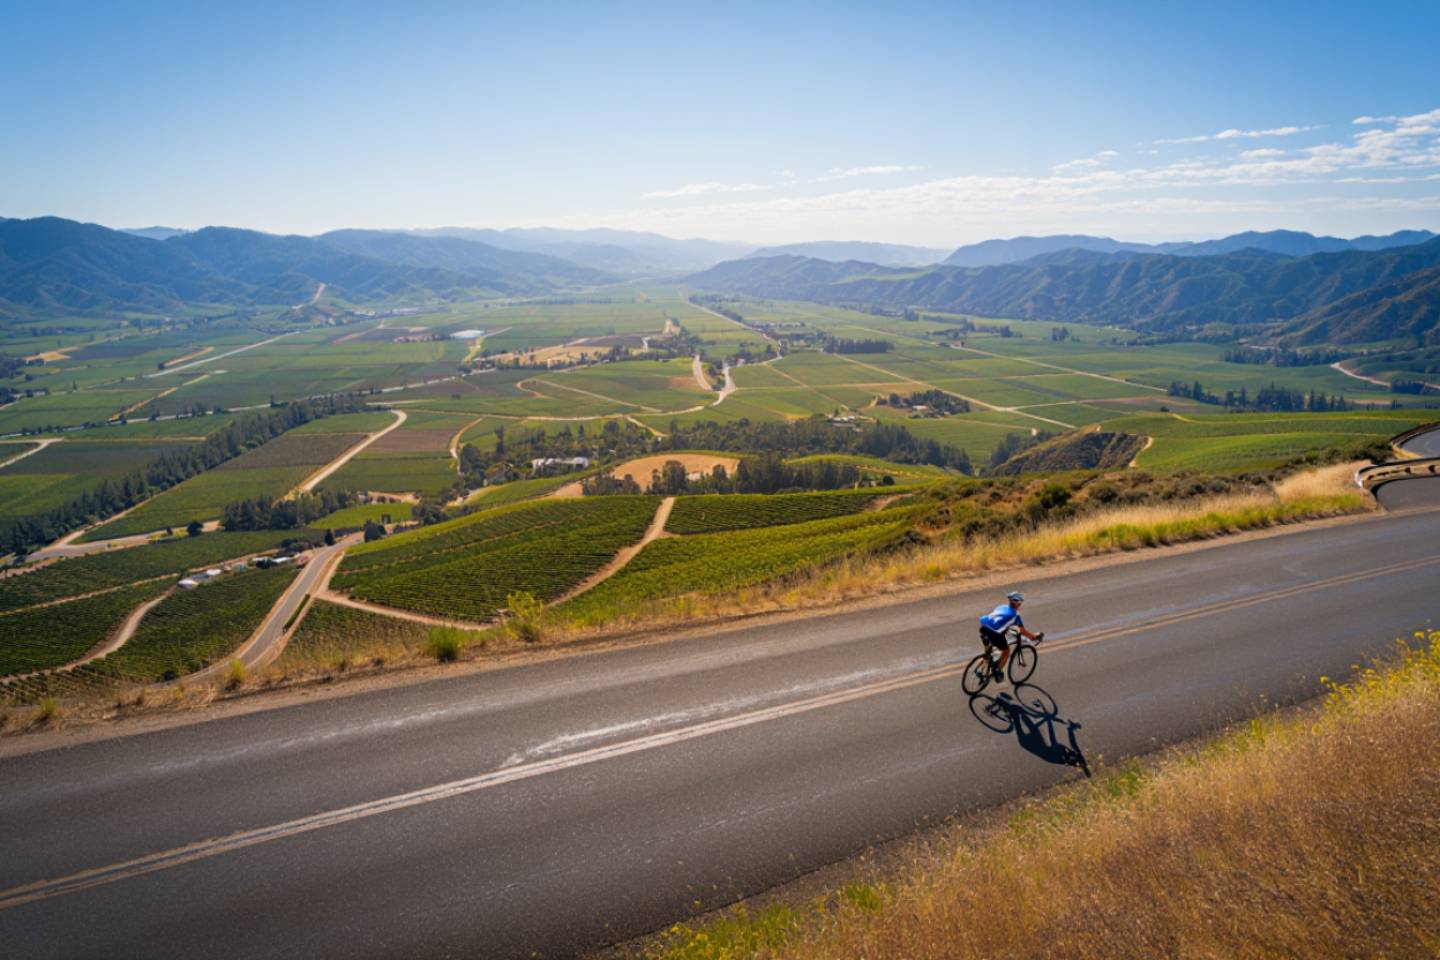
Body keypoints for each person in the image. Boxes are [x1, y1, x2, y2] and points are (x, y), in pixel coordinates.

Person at [979, 590, 1043, 676]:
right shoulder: (1015, 615)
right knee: (1006, 650)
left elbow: (1000, 621)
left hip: (983, 627)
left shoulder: (1001, 606)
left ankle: (979, 670)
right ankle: (997, 671)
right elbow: (1022, 631)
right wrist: (1034, 637)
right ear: (1019, 604)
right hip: (994, 633)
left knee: (988, 652)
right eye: (1020, 603)